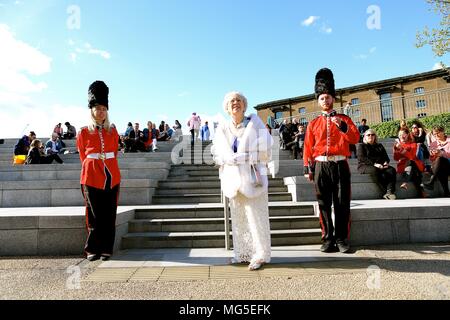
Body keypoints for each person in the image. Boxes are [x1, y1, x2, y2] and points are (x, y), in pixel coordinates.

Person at [212, 91, 273, 270]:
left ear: (244, 105)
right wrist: (226, 158)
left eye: (239, 100)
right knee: (238, 219)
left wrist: (249, 155)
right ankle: (243, 253)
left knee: (257, 217)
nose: (235, 103)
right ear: (226, 106)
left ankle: (261, 254)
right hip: (233, 179)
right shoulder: (222, 127)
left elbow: (267, 148)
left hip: (252, 178)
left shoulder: (255, 123)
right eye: (232, 101)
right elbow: (216, 152)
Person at [303, 68, 360, 253]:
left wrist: (343, 127)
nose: (325, 100)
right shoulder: (313, 123)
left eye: (328, 97)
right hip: (321, 165)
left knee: (342, 203)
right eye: (322, 98)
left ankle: (342, 238)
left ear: (333, 99)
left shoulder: (345, 119)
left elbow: (355, 138)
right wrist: (307, 168)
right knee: (324, 204)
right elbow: (308, 147)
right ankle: (327, 239)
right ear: (318, 101)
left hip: (340, 165)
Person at [77, 80, 121, 262]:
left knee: (110, 213)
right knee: (94, 214)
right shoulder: (83, 132)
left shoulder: (113, 130)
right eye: (98, 108)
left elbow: (115, 152)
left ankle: (106, 249)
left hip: (112, 175)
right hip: (91, 175)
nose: (101, 112)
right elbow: (82, 154)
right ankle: (92, 249)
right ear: (92, 111)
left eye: (104, 108)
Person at [357, 129, 397, 200]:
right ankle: (385, 191)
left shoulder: (379, 146)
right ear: (365, 137)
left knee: (391, 170)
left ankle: (390, 191)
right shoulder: (362, 146)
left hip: (380, 165)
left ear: (375, 137)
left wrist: (385, 163)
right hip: (365, 166)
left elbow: (386, 158)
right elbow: (362, 158)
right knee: (375, 170)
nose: (370, 136)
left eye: (372, 135)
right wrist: (375, 164)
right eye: (368, 135)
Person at [393, 128, 425, 197]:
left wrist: (402, 150)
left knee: (411, 162)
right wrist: (396, 149)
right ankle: (421, 190)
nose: (402, 136)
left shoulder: (413, 144)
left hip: (414, 163)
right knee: (414, 170)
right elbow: (396, 158)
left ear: (407, 135)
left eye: (403, 134)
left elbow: (412, 157)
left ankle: (405, 182)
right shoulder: (396, 145)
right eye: (400, 135)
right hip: (403, 165)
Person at [423, 126, 450, 197]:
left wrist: (442, 153)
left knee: (441, 160)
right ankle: (446, 191)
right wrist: (432, 155)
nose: (436, 135)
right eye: (434, 134)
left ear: (443, 132)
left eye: (438, 133)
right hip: (438, 166)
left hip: (448, 165)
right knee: (439, 161)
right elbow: (431, 160)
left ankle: (431, 181)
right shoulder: (433, 144)